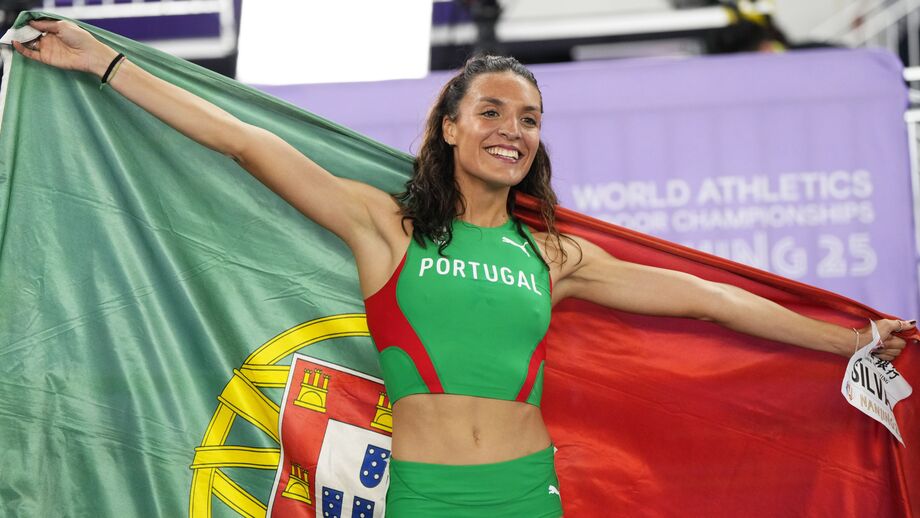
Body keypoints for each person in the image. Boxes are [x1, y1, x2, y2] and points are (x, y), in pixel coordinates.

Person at [12, 18, 912, 517]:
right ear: (450, 126)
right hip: (422, 494)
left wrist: (849, 339)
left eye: (527, 117)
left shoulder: (553, 256)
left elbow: (711, 304)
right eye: (490, 110)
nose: (510, 129)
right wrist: (107, 62)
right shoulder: (383, 229)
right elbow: (245, 143)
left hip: (527, 493)